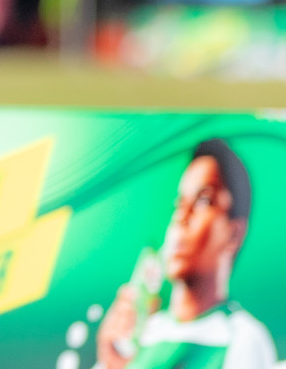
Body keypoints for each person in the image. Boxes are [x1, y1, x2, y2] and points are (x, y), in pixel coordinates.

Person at [95, 138, 276, 369]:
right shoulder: (139, 337)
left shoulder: (243, 338)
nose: (182, 216)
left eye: (203, 200)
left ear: (234, 233)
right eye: (179, 204)